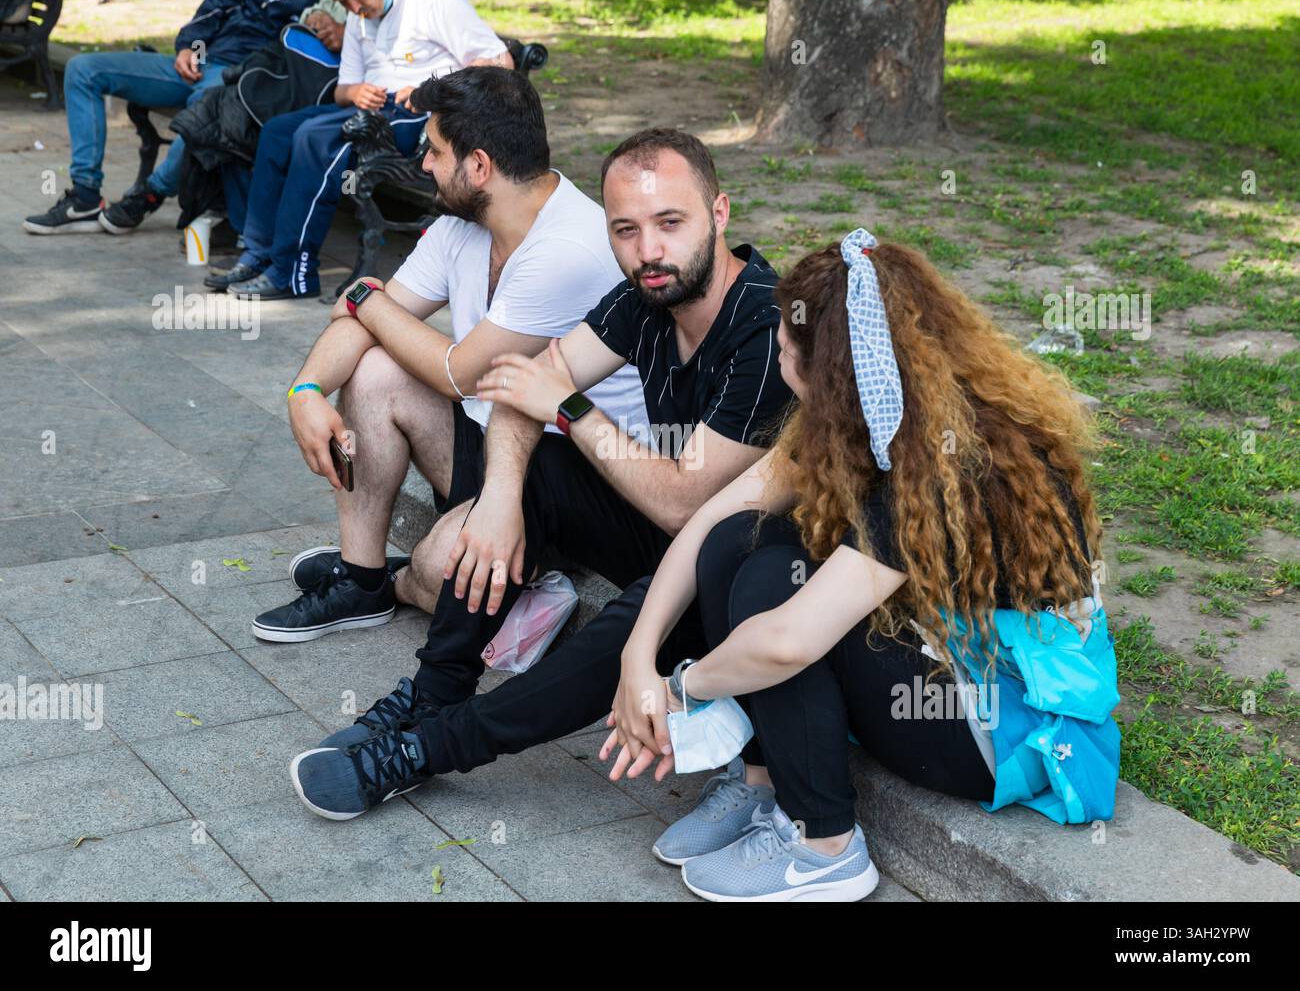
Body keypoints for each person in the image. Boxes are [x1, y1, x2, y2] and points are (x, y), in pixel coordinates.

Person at [286, 128, 795, 821]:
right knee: (533, 471)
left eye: (670, 223)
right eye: (626, 229)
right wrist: (497, 500)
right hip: (675, 535)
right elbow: (529, 382)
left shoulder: (765, 326)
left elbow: (681, 501)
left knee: (628, 618)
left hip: (747, 581)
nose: (648, 251)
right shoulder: (645, 297)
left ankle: (428, 749)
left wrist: (569, 410)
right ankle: (437, 690)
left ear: (720, 213)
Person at [598, 229, 1116, 902]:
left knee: (777, 596)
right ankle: (764, 787)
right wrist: (636, 654)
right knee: (743, 540)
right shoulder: (880, 410)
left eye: (785, 347)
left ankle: (825, 849)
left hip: (998, 721)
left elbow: (790, 641)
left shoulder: (938, 466)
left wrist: (679, 688)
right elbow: (711, 521)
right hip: (949, 650)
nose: (776, 351)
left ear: (835, 375)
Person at [252, 67, 648, 641]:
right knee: (375, 367)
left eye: (435, 151)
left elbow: (457, 372)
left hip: (568, 481)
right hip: (491, 443)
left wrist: (365, 296)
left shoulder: (568, 246)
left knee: (441, 570)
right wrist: (305, 390)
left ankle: (400, 580)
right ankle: (361, 580)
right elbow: (362, 322)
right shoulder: (466, 221)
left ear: (480, 165)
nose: (424, 165)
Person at [218, 0, 512, 299]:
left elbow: (500, 63)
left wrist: (433, 89)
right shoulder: (359, 19)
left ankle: (291, 272)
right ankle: (257, 253)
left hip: (417, 112)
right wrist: (355, 92)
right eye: (344, 2)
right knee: (277, 132)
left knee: (314, 139)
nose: (355, 8)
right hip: (366, 106)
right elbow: (342, 90)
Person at [22, 0, 316, 235]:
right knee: (83, 70)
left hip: (240, 77)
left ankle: (151, 193)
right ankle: (85, 196)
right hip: (199, 64)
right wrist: (189, 48)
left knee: (203, 110)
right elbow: (212, 9)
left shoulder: (316, 5)